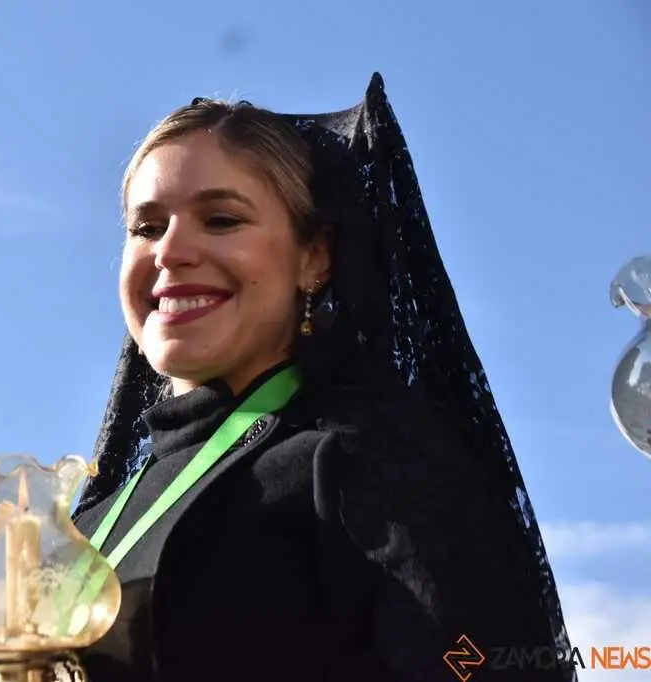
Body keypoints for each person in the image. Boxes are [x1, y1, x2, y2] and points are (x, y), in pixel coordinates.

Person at [64, 74, 575, 681]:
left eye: (222, 219)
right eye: (147, 228)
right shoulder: (88, 524)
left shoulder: (365, 460)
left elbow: (482, 667)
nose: (171, 251)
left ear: (315, 258)